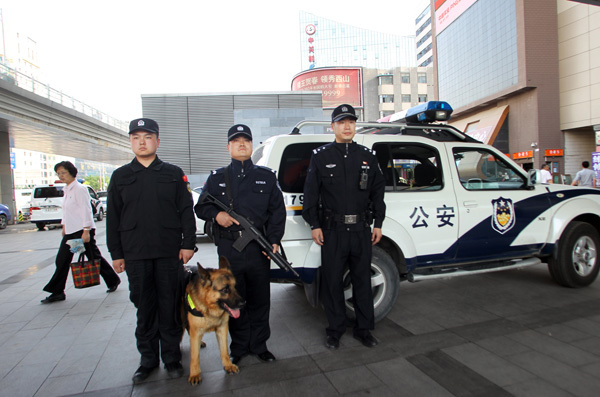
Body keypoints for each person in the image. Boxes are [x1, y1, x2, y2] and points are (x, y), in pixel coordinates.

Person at [106, 118, 196, 384]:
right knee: (144, 308)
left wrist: (188, 244)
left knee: (169, 306)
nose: (141, 142)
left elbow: (185, 211)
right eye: (136, 137)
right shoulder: (121, 176)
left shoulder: (173, 173)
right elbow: (113, 217)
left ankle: (171, 358)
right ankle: (147, 361)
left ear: (157, 141)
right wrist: (116, 253)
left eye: (147, 137)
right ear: (131, 142)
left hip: (169, 253)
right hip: (135, 253)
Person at [195, 124, 285, 365]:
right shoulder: (217, 178)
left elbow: (278, 211)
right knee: (233, 301)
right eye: (236, 141)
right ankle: (240, 347)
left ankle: (260, 345)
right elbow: (201, 206)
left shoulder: (266, 177)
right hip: (229, 252)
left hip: (258, 250)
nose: (242, 144)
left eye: (246, 140)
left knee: (259, 299)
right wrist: (217, 216)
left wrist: (274, 240)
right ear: (228, 147)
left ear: (252, 146)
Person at [302, 104, 386, 350]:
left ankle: (364, 330)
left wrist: (378, 222)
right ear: (333, 127)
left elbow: (377, 191)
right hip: (332, 231)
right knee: (332, 282)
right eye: (341, 122)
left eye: (351, 121)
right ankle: (335, 330)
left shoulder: (367, 156)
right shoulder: (321, 156)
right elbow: (311, 194)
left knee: (362, 280)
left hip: (361, 230)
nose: (347, 126)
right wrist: (314, 224)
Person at [41, 161, 121, 304]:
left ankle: (112, 279)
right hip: (71, 232)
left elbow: (86, 210)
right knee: (62, 260)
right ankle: (57, 291)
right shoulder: (66, 190)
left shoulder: (80, 189)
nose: (61, 175)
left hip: (81, 231)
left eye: (63, 172)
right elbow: (66, 211)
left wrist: (86, 231)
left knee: (93, 257)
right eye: (59, 173)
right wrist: (64, 226)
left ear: (72, 172)